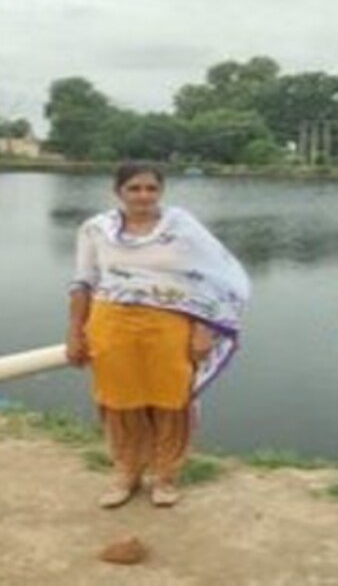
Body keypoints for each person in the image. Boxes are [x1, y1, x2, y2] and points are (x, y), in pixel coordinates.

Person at [65, 163, 250, 509]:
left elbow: (213, 279)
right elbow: (82, 282)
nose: (143, 195)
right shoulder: (95, 229)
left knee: (172, 401)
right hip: (111, 324)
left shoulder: (182, 229)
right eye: (134, 188)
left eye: (151, 188)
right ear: (117, 192)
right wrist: (75, 332)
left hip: (169, 325)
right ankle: (126, 474)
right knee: (119, 403)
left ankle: (165, 477)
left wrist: (204, 328)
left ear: (161, 191)